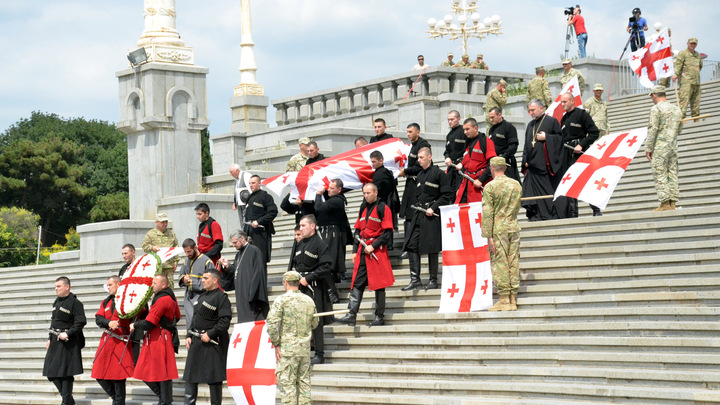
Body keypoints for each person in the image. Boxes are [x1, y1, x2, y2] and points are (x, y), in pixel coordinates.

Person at [337, 183, 395, 327]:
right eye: (364, 193)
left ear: (375, 192)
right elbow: (357, 231)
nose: (366, 195)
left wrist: (373, 245)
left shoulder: (383, 208)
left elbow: (387, 233)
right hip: (363, 250)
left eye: (368, 193)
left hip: (377, 250)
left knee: (379, 285)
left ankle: (379, 317)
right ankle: (352, 314)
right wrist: (354, 251)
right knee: (358, 282)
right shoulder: (363, 207)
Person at [401, 147, 452, 291]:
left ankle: (433, 280)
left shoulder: (439, 174)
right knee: (411, 245)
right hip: (419, 214)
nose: (418, 160)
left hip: (432, 215)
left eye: (421, 157)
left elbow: (447, 195)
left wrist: (434, 207)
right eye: (417, 158)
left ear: (429, 157)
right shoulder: (420, 175)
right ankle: (415, 279)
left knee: (432, 248)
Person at [266, 270, 318, 405]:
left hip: (287, 350)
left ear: (285, 283)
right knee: (304, 384)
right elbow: (315, 323)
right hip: (304, 349)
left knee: (288, 386)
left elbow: (271, 323)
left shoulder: (281, 300)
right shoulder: (309, 300)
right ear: (298, 283)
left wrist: (276, 343)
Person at [131, 274, 181, 405]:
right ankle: (165, 399)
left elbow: (149, 323)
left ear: (163, 285)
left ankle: (164, 399)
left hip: (158, 337)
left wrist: (135, 325)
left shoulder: (162, 299)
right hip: (162, 335)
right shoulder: (171, 297)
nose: (151, 285)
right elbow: (178, 316)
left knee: (150, 370)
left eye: (154, 283)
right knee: (164, 371)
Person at [291, 215, 334, 365]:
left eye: (303, 226)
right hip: (300, 288)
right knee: (302, 320)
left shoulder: (320, 244)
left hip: (314, 287)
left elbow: (326, 267)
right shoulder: (301, 243)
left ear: (312, 226)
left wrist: (309, 278)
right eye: (300, 226)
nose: (300, 228)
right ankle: (304, 350)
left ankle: (319, 353)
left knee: (316, 320)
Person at [183, 269, 231, 405]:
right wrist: (188, 334)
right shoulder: (202, 297)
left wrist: (210, 334)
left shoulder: (222, 297)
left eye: (205, 278)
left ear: (215, 280)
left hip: (213, 344)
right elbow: (195, 318)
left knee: (214, 381)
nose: (202, 280)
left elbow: (225, 322)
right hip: (196, 341)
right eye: (202, 278)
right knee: (190, 379)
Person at [481, 157, 522, 312]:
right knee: (513, 261)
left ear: (492, 169)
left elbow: (487, 213)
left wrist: (488, 236)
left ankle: (504, 298)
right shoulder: (516, 184)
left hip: (498, 229)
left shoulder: (490, 187)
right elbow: (517, 206)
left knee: (500, 262)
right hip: (513, 226)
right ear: (504, 168)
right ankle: (512, 299)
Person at [43, 276, 86, 405]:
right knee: (51, 372)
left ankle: (66, 401)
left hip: (69, 342)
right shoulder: (56, 302)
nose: (56, 289)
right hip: (55, 340)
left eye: (59, 286)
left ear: (67, 287)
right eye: (55, 287)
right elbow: (53, 321)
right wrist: (50, 339)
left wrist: (68, 333)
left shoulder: (75, 303)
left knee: (65, 372)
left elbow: (81, 322)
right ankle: (68, 399)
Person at [92, 276, 134, 405]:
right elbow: (98, 319)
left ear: (118, 284)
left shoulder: (129, 300)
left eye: (110, 285)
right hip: (107, 339)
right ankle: (116, 398)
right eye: (107, 285)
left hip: (121, 339)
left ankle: (118, 402)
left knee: (118, 376)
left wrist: (133, 324)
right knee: (98, 374)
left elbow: (141, 313)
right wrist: (108, 323)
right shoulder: (106, 302)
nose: (108, 287)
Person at [520, 100, 564, 221]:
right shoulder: (530, 125)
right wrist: (525, 161)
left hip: (545, 166)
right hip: (532, 167)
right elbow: (527, 145)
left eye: (533, 110)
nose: (531, 113)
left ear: (541, 108)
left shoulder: (552, 121)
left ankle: (548, 215)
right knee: (531, 193)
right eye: (529, 110)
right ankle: (535, 215)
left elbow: (560, 139)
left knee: (546, 193)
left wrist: (547, 137)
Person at [558, 92, 601, 217]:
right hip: (567, 154)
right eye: (561, 102)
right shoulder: (564, 118)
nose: (562, 104)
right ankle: (573, 213)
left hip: (580, 153)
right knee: (570, 182)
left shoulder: (582, 115)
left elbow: (594, 132)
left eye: (565, 101)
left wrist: (581, 144)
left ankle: (596, 209)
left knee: (586, 181)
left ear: (572, 101)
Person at [645, 85, 683, 212]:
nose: (651, 98)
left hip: (660, 146)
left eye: (651, 96)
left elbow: (653, 129)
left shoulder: (656, 109)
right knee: (672, 173)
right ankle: (673, 202)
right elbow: (680, 129)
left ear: (655, 95)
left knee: (660, 172)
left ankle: (665, 202)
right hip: (673, 145)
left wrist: (648, 147)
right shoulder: (676, 109)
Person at [220, 230, 270, 322]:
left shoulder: (254, 251)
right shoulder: (238, 255)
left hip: (252, 297)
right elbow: (237, 271)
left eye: (235, 242)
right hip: (241, 296)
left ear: (242, 238)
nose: (234, 245)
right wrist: (227, 266)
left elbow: (258, 274)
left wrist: (253, 295)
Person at [399, 123, 431, 257]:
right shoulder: (413, 146)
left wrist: (405, 171)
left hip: (418, 183)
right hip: (411, 182)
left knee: (414, 215)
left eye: (410, 132)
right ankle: (408, 246)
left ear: (417, 132)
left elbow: (419, 166)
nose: (408, 134)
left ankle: (415, 245)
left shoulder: (423, 145)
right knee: (408, 215)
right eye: (407, 132)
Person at [315, 178, 353, 285]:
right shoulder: (334, 198)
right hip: (329, 231)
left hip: (332, 233)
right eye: (328, 188)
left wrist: (318, 194)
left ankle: (335, 278)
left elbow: (319, 208)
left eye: (332, 188)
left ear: (339, 189)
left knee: (330, 259)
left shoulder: (338, 200)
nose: (329, 190)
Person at [454, 118, 497, 203]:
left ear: (475, 128)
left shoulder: (486, 141)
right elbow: (465, 164)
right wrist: (459, 187)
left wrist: (481, 180)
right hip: (465, 185)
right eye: (464, 130)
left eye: (467, 129)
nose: (465, 132)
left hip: (479, 185)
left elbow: (492, 163)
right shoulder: (467, 143)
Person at [178, 238, 216, 326]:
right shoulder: (186, 261)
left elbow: (212, 282)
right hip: (188, 297)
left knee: (200, 323)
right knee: (190, 323)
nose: (187, 254)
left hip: (203, 297)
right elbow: (181, 274)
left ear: (195, 247)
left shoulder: (206, 261)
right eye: (185, 252)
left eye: (189, 251)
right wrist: (184, 279)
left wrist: (193, 283)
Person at [243, 175, 278, 264]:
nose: (251, 185)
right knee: (250, 260)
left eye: (253, 183)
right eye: (250, 183)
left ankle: (261, 278)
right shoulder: (249, 197)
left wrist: (259, 221)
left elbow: (273, 212)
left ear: (259, 183)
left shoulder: (266, 197)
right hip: (249, 231)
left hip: (260, 232)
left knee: (260, 259)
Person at [141, 213, 180, 284]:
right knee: (156, 286)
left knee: (169, 286)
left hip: (169, 266)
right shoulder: (150, 234)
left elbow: (175, 247)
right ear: (157, 222)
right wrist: (152, 248)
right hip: (156, 266)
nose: (165, 224)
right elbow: (144, 246)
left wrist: (175, 262)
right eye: (162, 222)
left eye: (166, 222)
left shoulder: (171, 234)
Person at [369, 150, 400, 231]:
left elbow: (375, 190)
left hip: (383, 205)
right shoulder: (385, 172)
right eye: (371, 162)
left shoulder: (381, 174)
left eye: (374, 162)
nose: (372, 164)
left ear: (381, 161)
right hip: (387, 205)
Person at [487, 107, 520, 183]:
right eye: (490, 118)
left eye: (493, 117)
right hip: (495, 163)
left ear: (499, 115)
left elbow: (513, 147)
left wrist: (503, 157)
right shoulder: (492, 129)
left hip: (506, 163)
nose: (491, 120)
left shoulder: (509, 127)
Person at [673, 38, 703, 120]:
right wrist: (675, 74)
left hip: (696, 81)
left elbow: (700, 66)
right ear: (687, 44)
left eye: (694, 44)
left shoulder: (697, 55)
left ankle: (696, 119)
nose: (693, 45)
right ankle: (682, 119)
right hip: (686, 82)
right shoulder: (683, 53)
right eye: (691, 43)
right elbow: (678, 65)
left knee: (696, 102)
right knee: (684, 101)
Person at [444, 110, 466, 192]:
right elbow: (446, 151)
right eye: (448, 120)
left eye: (452, 119)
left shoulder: (464, 132)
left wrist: (463, 162)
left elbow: (468, 150)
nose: (450, 122)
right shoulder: (449, 135)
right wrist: (447, 157)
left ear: (459, 119)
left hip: (461, 167)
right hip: (451, 168)